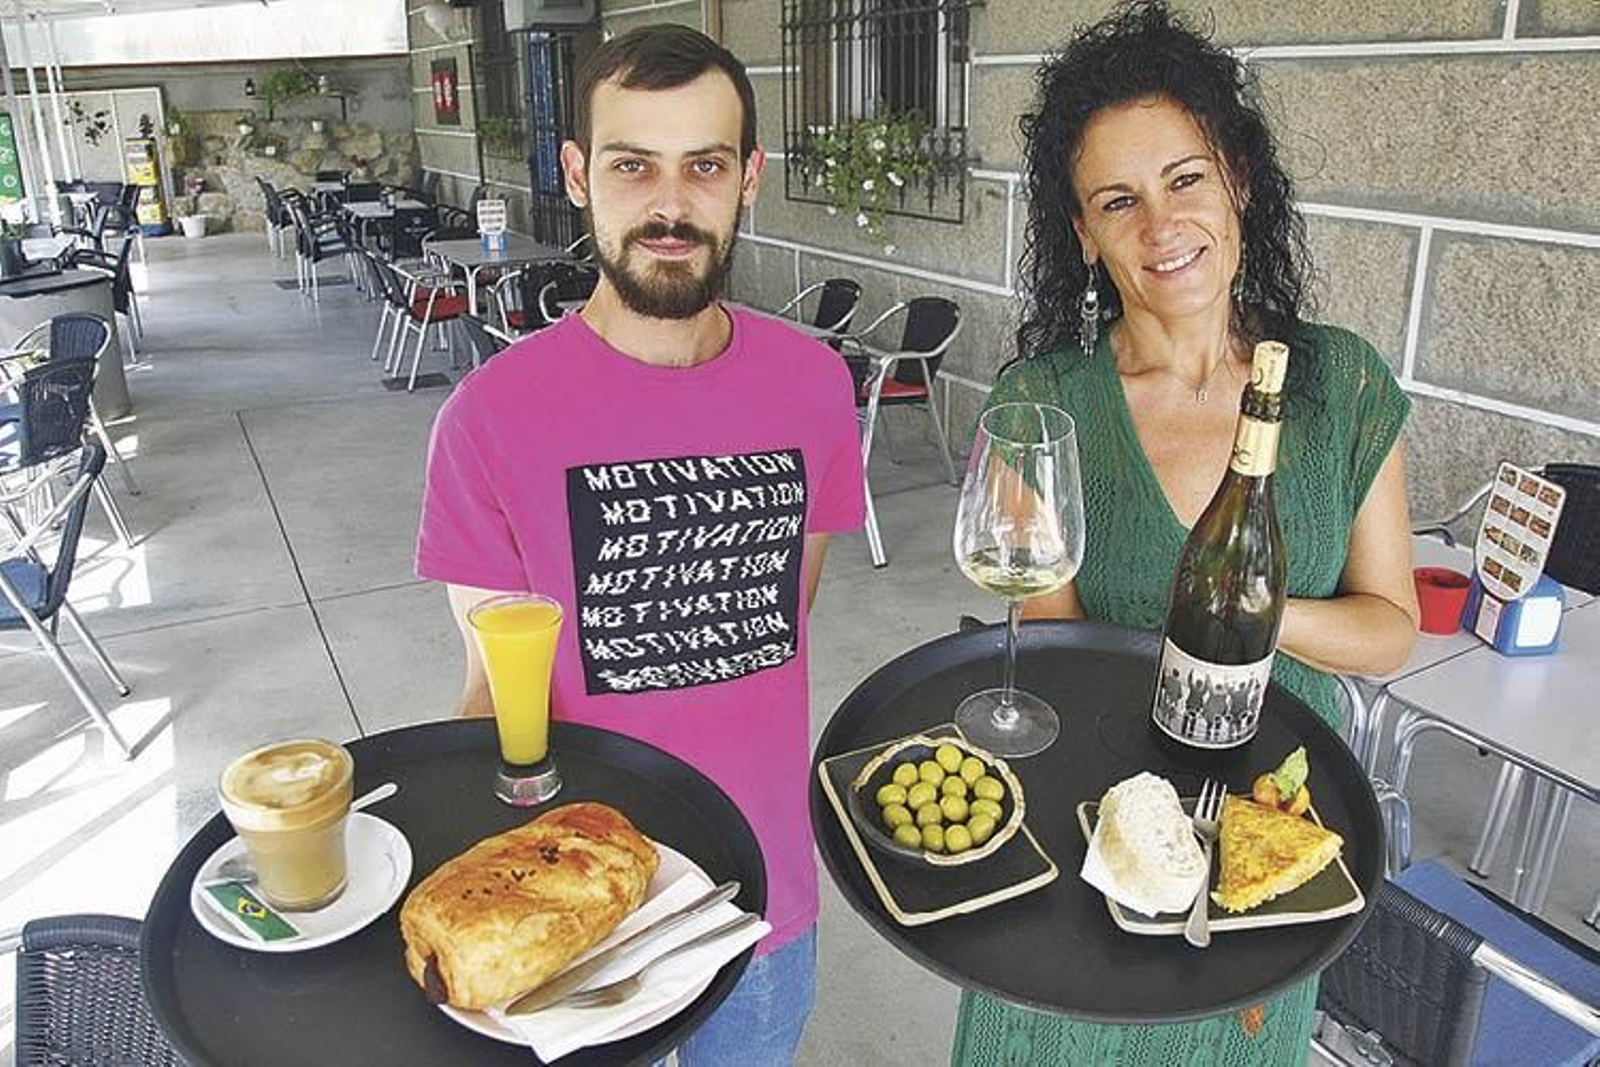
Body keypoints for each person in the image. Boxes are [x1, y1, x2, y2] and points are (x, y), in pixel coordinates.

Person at [950, 3, 1420, 1064]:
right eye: (1118, 200)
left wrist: (1248, 614)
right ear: (1084, 233)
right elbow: (1050, 655)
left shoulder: (1341, 384)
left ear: (1238, 180)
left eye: (1185, 178)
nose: (1161, 225)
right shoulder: (1042, 402)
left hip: (1270, 836)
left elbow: (1390, 628)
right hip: (1090, 832)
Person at [415, 25, 865, 1065]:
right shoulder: (489, 416)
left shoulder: (811, 385)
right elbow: (492, 684)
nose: (670, 204)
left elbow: (779, 619)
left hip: (758, 902)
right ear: (578, 175)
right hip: (569, 912)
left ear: (749, 177)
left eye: (704, 165)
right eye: (632, 165)